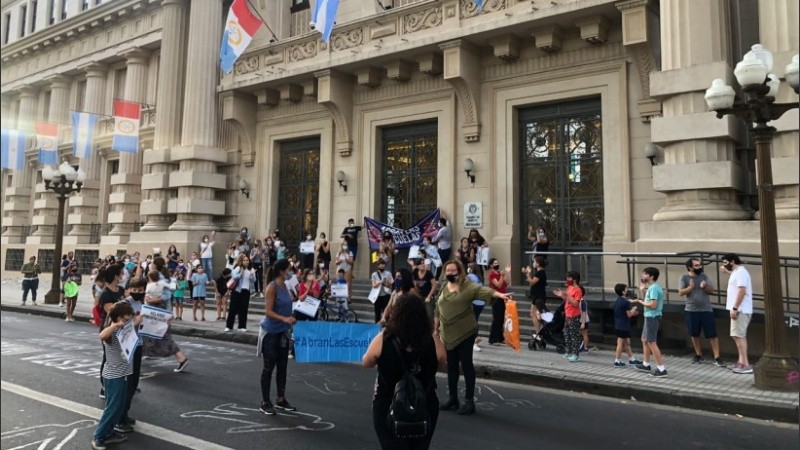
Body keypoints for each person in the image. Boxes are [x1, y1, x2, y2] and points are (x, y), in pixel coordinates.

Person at [363, 293, 446, 449]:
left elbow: (367, 361)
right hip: (424, 404)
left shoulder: (383, 339)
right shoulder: (433, 340)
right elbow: (442, 364)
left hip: (388, 403)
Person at [434, 260, 512, 415]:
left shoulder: (467, 286)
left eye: (453, 270)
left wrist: (500, 294)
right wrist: (435, 329)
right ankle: (453, 399)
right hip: (447, 333)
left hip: (466, 332)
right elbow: (438, 308)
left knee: (466, 364)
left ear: (459, 271)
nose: (450, 273)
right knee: (452, 366)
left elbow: (483, 291)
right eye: (447, 270)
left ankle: (469, 401)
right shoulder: (443, 286)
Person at [92, 301, 140, 450]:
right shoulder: (112, 331)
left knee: (119, 407)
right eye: (126, 319)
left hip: (124, 374)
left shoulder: (126, 328)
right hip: (114, 376)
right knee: (112, 408)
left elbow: (137, 321)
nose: (128, 322)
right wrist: (114, 326)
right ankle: (98, 437)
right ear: (118, 318)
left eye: (129, 319)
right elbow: (101, 335)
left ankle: (110, 432)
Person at [259, 259, 298, 415]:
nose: (291, 271)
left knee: (283, 366)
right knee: (269, 367)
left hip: (283, 333)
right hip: (271, 333)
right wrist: (284, 319)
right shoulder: (272, 287)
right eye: (289, 269)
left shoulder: (287, 286)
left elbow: (290, 302)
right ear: (282, 271)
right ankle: (265, 401)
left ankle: (281, 398)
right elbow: (268, 311)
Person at [679, 258, 725, 367]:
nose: (699, 267)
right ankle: (698, 354)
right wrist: (690, 287)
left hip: (706, 310)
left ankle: (717, 357)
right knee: (694, 334)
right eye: (696, 265)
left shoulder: (704, 276)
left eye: (700, 265)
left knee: (712, 334)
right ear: (690, 267)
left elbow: (712, 291)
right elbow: (680, 292)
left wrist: (705, 287)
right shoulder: (684, 277)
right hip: (691, 310)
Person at [142, 270, 190, 373]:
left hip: (159, 315)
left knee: (164, 338)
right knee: (149, 335)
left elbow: (166, 298)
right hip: (154, 314)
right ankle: (144, 354)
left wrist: (151, 300)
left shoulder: (162, 283)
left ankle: (181, 358)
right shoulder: (159, 282)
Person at [720, 253, 753, 374]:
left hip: (741, 309)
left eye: (725, 262)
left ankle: (745, 364)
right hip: (739, 309)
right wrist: (727, 273)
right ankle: (741, 362)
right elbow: (736, 280)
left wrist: (735, 307)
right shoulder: (737, 272)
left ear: (732, 261)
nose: (724, 265)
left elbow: (742, 290)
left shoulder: (741, 272)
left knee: (739, 336)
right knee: (736, 335)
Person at [631, 267, 667, 377]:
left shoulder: (654, 288)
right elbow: (649, 301)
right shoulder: (651, 288)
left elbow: (652, 305)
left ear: (651, 276)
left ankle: (661, 369)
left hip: (652, 316)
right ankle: (646, 364)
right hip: (649, 316)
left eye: (645, 274)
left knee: (651, 341)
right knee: (644, 340)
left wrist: (639, 302)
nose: (643, 275)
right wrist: (642, 291)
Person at [553, 271, 583, 363]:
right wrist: (562, 296)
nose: (567, 280)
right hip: (568, 314)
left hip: (574, 315)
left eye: (569, 278)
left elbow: (575, 303)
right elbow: (567, 300)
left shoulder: (578, 290)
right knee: (566, 333)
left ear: (574, 279)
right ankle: (569, 352)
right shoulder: (569, 287)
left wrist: (567, 296)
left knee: (574, 335)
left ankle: (576, 355)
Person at [612, 283, 642, 367]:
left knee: (627, 343)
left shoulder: (617, 300)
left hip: (618, 325)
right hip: (624, 326)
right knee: (621, 344)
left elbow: (622, 312)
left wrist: (632, 312)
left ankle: (632, 359)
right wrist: (634, 309)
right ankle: (617, 361)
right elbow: (629, 315)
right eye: (626, 289)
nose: (627, 290)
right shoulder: (626, 302)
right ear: (623, 291)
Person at [226, 253, 256, 332]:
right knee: (233, 308)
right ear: (241, 261)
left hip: (246, 290)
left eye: (247, 260)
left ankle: (242, 326)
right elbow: (234, 276)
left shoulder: (250, 269)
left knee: (244, 309)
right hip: (237, 291)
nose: (246, 262)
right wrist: (241, 273)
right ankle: (229, 326)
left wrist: (252, 275)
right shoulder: (238, 268)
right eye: (244, 260)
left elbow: (253, 281)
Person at [486, 258, 511, 346]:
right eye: (495, 263)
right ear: (491, 265)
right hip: (496, 297)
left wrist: (507, 273)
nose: (497, 264)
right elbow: (498, 285)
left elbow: (507, 282)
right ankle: (492, 339)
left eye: (497, 262)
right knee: (496, 319)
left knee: (501, 319)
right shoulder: (492, 274)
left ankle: (500, 338)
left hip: (503, 297)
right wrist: (501, 276)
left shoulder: (500, 273)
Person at [523, 256, 548, 340]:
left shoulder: (540, 273)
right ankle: (539, 332)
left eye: (534, 262)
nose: (533, 263)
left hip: (539, 296)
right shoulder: (539, 272)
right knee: (534, 314)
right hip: (537, 296)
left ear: (538, 263)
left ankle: (539, 333)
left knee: (535, 314)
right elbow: (532, 283)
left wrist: (527, 273)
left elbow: (532, 282)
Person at [412, 258, 438, 327]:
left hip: (429, 297)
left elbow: (434, 285)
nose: (422, 265)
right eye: (420, 263)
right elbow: (415, 286)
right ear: (417, 266)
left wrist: (429, 296)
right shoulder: (415, 274)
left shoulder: (429, 273)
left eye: (423, 263)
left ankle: (433, 330)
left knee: (429, 315)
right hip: (420, 297)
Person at [466, 263, 484, 353]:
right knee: (475, 320)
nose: (467, 268)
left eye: (469, 267)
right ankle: (475, 339)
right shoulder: (480, 277)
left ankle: (473, 341)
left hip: (473, 302)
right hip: (480, 302)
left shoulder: (470, 276)